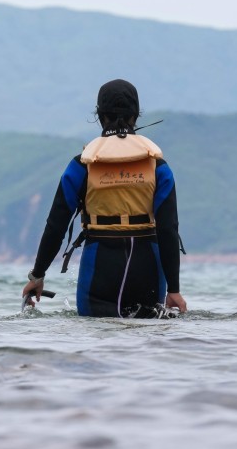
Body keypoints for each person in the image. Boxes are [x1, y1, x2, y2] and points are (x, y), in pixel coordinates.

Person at [23, 79, 187, 318]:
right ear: (135, 116)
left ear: (100, 116)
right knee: (148, 347)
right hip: (148, 268)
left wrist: (37, 275)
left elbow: (56, 224)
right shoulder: (158, 167)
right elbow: (168, 229)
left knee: (96, 344)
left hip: (100, 266)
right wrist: (174, 289)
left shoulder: (82, 166)